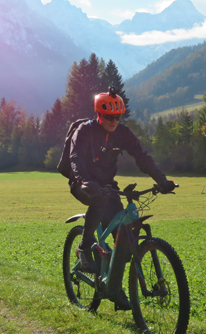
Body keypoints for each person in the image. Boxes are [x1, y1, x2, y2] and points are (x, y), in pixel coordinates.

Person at [67, 87, 177, 310]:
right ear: (99, 114)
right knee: (97, 201)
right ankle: (85, 247)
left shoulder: (123, 133)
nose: (113, 121)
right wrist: (83, 181)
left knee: (123, 236)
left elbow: (142, 157)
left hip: (108, 186)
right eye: (109, 117)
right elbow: (75, 157)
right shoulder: (84, 131)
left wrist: (162, 180)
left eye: (117, 117)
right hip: (83, 183)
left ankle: (113, 289)